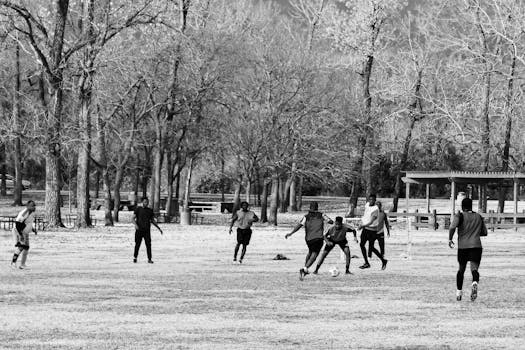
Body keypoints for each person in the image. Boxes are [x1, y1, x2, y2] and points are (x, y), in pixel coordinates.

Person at [449, 197, 487, 301]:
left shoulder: (460, 216)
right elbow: (484, 232)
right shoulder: (478, 216)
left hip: (463, 246)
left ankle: (459, 292)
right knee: (474, 269)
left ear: (462, 206)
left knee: (461, 269)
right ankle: (474, 282)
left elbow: (452, 227)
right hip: (476, 245)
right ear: (471, 206)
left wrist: (450, 239)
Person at [285, 201, 333, 281]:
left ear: (310, 208)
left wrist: (291, 233)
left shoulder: (306, 216)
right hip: (318, 237)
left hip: (308, 239)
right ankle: (305, 268)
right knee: (315, 254)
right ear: (317, 207)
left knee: (310, 252)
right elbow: (330, 221)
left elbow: (299, 225)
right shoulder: (322, 215)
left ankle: (305, 268)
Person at [357, 194, 388, 270]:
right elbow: (366, 214)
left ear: (375, 200)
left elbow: (371, 222)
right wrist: (362, 222)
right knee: (362, 245)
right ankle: (366, 263)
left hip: (372, 230)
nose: (371, 201)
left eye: (372, 200)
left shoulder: (375, 209)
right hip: (365, 229)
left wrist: (362, 226)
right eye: (370, 199)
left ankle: (383, 260)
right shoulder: (367, 204)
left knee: (371, 248)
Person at [133, 197, 163, 263]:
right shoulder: (138, 209)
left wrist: (159, 228)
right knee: (137, 244)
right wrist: (135, 225)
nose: (146, 203)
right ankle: (135, 257)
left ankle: (149, 259)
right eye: (144, 202)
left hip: (147, 231)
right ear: (142, 202)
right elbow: (133, 218)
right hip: (139, 230)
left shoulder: (150, 210)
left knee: (148, 245)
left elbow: (152, 220)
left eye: (147, 202)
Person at [11, 200, 37, 269]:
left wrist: (32, 229)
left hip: (25, 232)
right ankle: (13, 263)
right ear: (27, 206)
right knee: (21, 247)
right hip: (19, 231)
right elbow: (18, 224)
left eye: (34, 205)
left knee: (26, 247)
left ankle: (22, 265)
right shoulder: (24, 213)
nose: (34, 207)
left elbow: (28, 222)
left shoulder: (32, 212)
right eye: (32, 205)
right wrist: (21, 235)